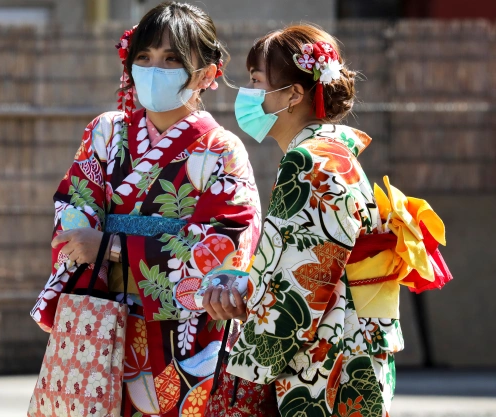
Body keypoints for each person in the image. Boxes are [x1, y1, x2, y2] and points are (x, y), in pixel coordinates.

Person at [203, 24, 452, 417]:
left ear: (294, 95)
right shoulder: (333, 155)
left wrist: (248, 370)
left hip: (325, 361)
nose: (246, 94)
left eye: (255, 81)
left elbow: (302, 282)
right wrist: (248, 288)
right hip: (352, 345)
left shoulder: (309, 162)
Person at [30, 3, 262, 416]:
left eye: (172, 59)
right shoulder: (106, 131)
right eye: (145, 57)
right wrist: (86, 241)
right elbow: (75, 202)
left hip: (184, 331)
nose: (155, 68)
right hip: (102, 314)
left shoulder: (222, 149)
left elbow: (227, 241)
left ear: (207, 74)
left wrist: (111, 245)